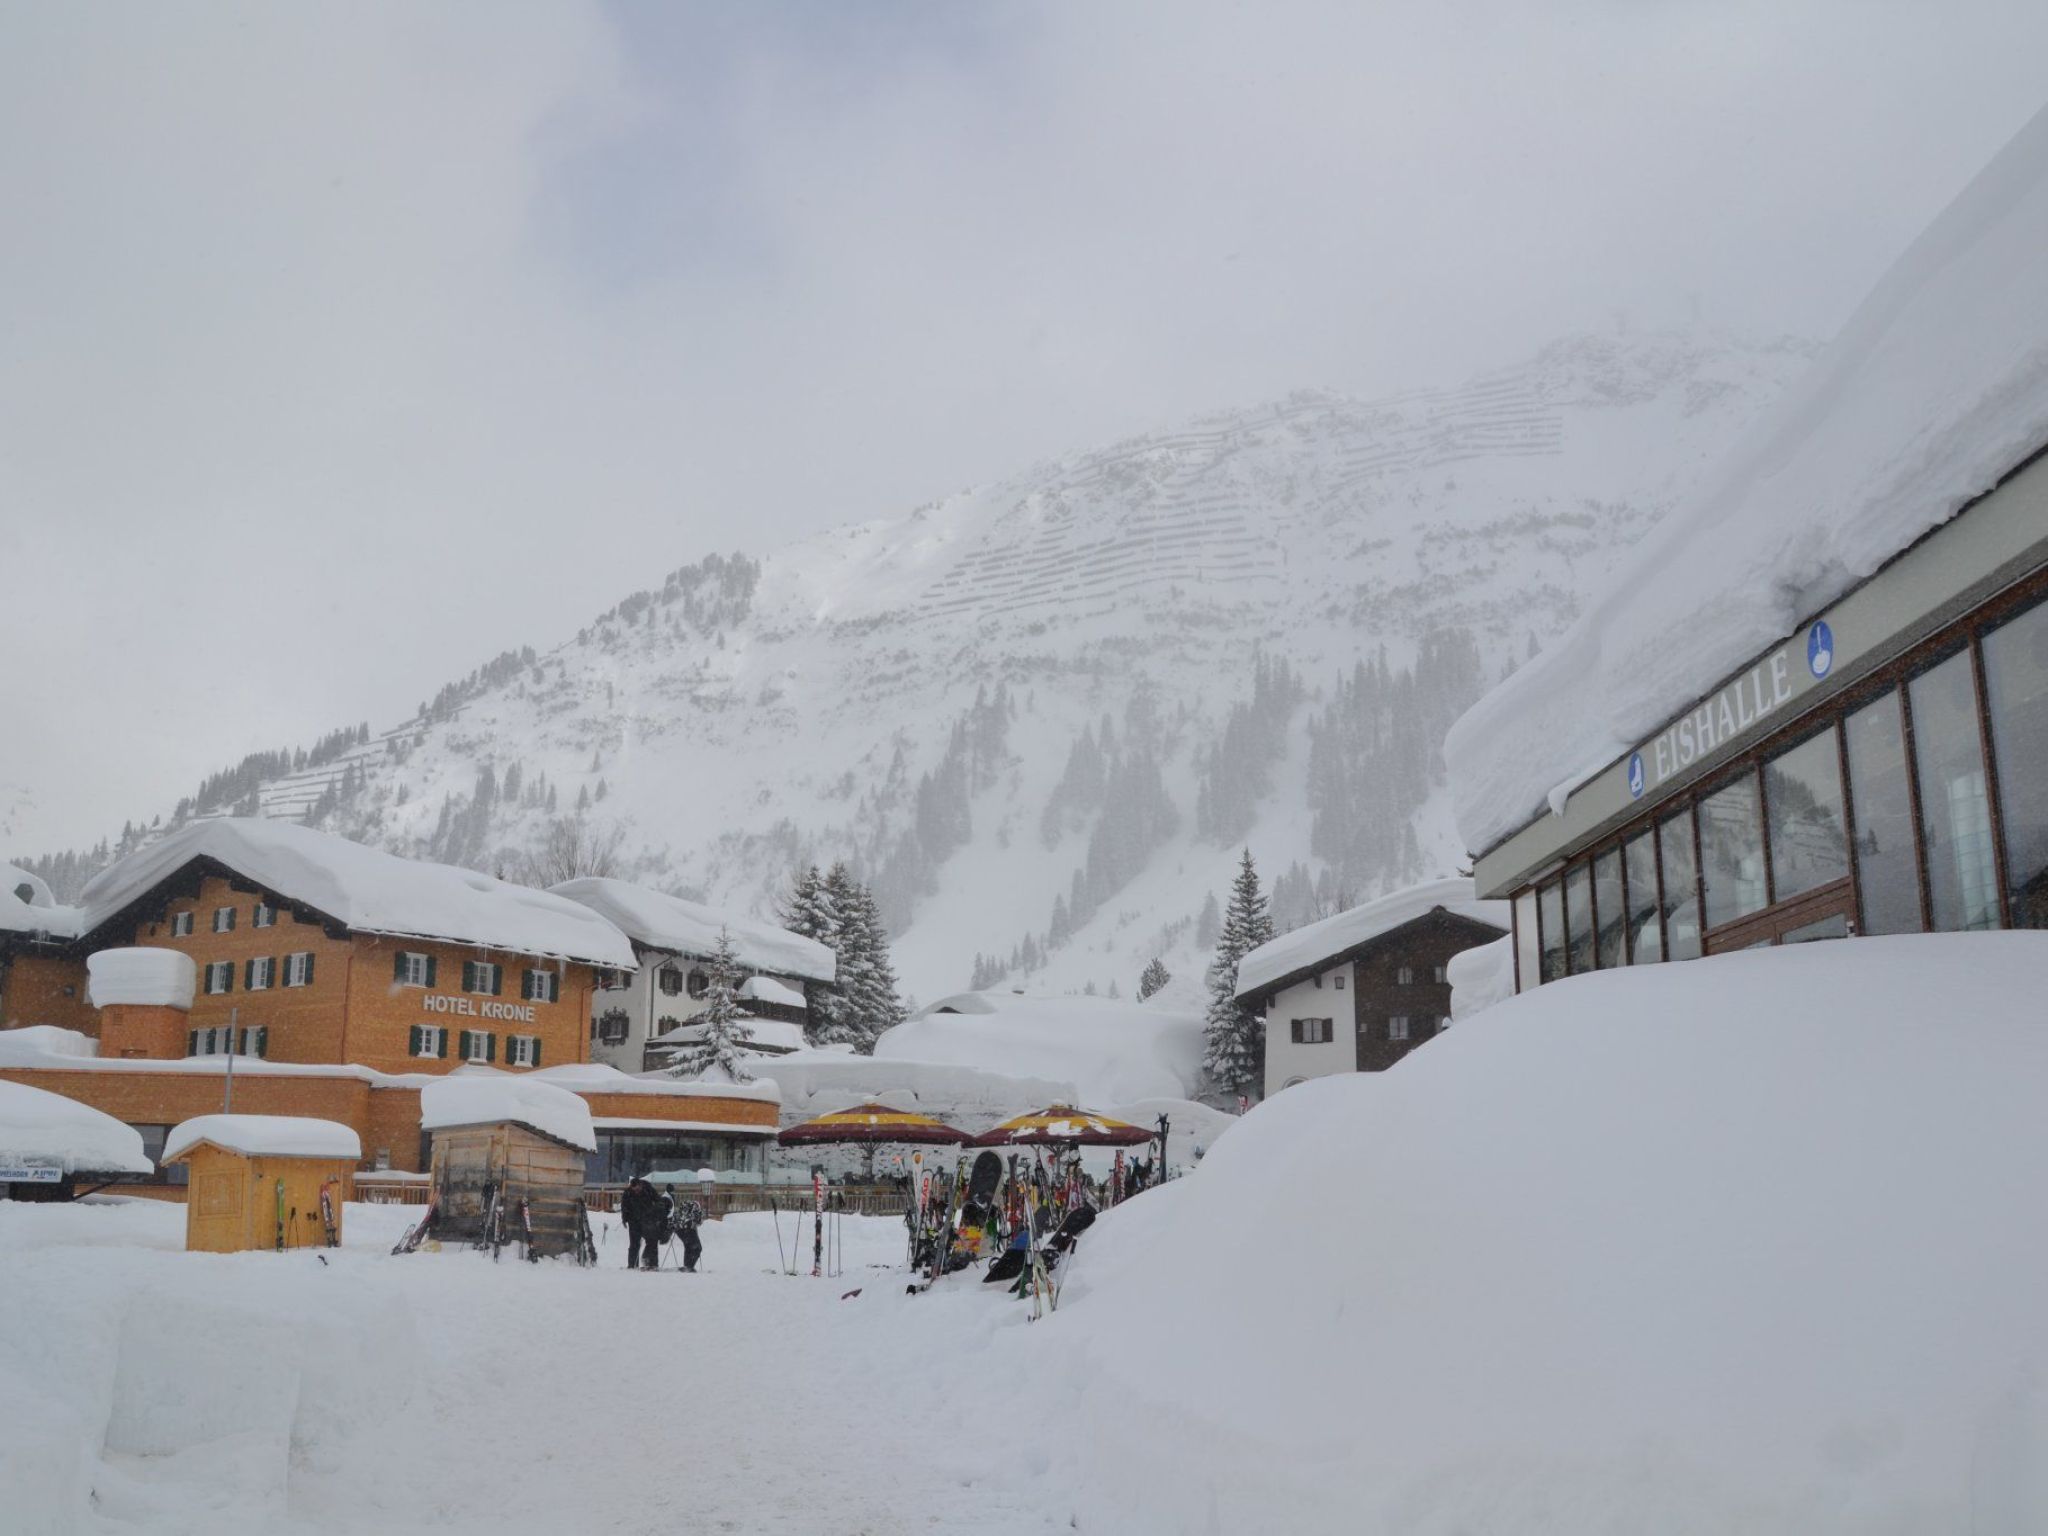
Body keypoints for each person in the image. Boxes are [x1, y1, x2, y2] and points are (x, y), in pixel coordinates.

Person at [621, 1176, 666, 1271]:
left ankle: (652, 1263)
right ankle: (632, 1265)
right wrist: (624, 1219)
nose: (636, 1191)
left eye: (637, 1189)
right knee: (634, 1244)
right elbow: (624, 1207)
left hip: (648, 1220)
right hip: (633, 1221)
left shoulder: (648, 1189)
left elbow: (658, 1201)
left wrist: (657, 1213)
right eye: (634, 1190)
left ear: (640, 1185)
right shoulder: (627, 1193)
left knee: (652, 1241)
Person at [674, 1194, 705, 1272]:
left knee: (688, 1246)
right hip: (687, 1228)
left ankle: (687, 1265)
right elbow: (698, 1220)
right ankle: (689, 1266)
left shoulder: (688, 1205)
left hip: (679, 1229)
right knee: (697, 1248)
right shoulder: (696, 1207)